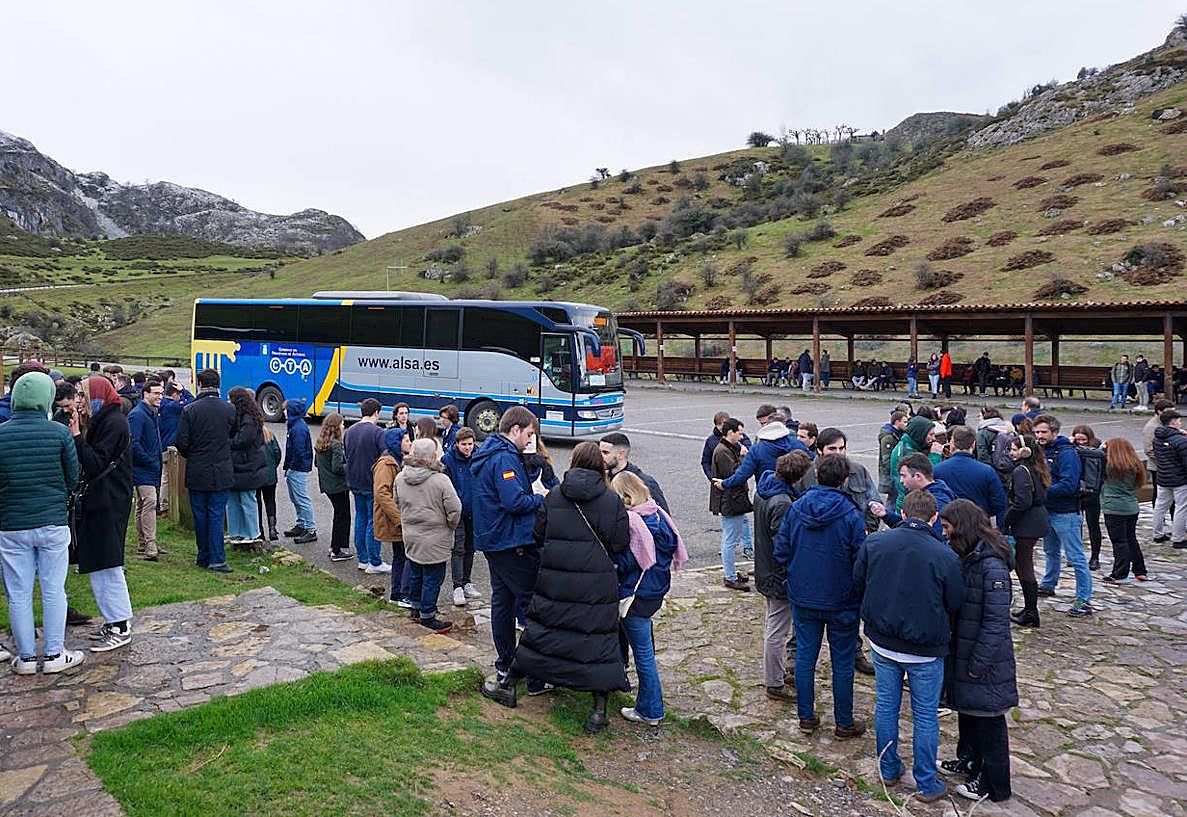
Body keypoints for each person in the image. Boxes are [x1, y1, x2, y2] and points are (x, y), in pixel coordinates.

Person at [482, 441, 630, 734]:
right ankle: (598, 711)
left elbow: (538, 534)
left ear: (573, 462)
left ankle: (509, 685)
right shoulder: (611, 500)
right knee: (598, 641)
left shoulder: (555, 496)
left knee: (540, 633)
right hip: (595, 584)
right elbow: (620, 543)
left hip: (555, 579)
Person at [854, 489, 964, 804]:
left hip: (884, 641)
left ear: (902, 514)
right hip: (925, 648)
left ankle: (888, 768)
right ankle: (926, 782)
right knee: (925, 714)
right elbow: (955, 600)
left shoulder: (875, 543)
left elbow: (858, 580)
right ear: (934, 518)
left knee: (886, 705)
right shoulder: (945, 555)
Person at [773, 454, 867, 739]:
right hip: (842, 599)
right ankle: (843, 721)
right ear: (845, 480)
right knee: (842, 661)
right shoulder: (850, 514)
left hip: (804, 595)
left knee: (804, 657)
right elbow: (861, 557)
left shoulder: (797, 508)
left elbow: (781, 550)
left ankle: (806, 716)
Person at [0, 371, 85, 674]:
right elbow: (73, 477)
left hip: (11, 524)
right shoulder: (58, 433)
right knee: (53, 589)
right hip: (51, 520)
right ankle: (53, 654)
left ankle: (24, 657)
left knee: (18, 593)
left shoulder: (2, 433)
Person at [938, 500, 1018, 803]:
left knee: (989, 721)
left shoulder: (991, 565)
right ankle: (969, 759)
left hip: (984, 659)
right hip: (966, 649)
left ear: (962, 527)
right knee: (969, 713)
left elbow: (996, 622)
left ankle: (994, 782)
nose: (945, 534)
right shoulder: (970, 556)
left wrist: (979, 663)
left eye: (947, 528)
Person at [472, 406, 546, 684]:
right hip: (510, 541)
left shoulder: (493, 453)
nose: (530, 440)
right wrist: (542, 498)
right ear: (515, 429)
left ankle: (505, 663)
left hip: (495, 539)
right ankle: (533, 675)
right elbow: (514, 501)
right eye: (528, 434)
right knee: (530, 605)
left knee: (502, 602)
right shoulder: (503, 458)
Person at [611, 470, 688, 725]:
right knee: (645, 650)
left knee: (643, 655)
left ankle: (651, 710)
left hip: (636, 594)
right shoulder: (657, 514)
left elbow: (632, 562)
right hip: (655, 591)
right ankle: (647, 705)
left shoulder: (635, 523)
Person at [72, 376, 135, 652]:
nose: (80, 402)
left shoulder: (113, 422)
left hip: (110, 501)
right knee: (99, 563)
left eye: (83, 396)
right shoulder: (105, 420)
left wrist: (76, 437)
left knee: (108, 564)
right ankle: (112, 620)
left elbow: (96, 463)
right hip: (104, 500)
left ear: (97, 396)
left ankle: (120, 624)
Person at [753, 451, 811, 702]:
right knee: (777, 629)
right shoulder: (782, 503)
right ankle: (774, 682)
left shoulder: (763, 488)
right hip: (777, 575)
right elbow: (783, 546)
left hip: (764, 568)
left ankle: (776, 674)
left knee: (773, 624)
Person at [396, 438, 463, 633]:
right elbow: (455, 508)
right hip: (436, 536)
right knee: (433, 578)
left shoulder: (401, 477)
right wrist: (450, 525)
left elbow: (396, 501)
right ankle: (428, 615)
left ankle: (416, 609)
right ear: (432, 455)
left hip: (411, 534)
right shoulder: (440, 480)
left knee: (416, 572)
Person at [175, 368, 235, 573]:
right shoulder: (229, 410)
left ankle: (203, 556)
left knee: (200, 515)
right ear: (218, 385)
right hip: (221, 469)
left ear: (199, 385)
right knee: (217, 514)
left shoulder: (190, 410)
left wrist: (193, 453)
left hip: (197, 469)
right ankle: (218, 559)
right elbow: (233, 435)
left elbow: (181, 442)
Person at [1033, 414, 1092, 616]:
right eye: (1037, 432)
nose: (1039, 435)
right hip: (1047, 510)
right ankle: (1049, 583)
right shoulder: (1040, 450)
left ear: (1055, 432)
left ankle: (1083, 599)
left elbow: (1069, 484)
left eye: (1043, 432)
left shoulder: (1066, 453)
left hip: (1066, 512)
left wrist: (1042, 491)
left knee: (1075, 557)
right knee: (1050, 551)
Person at [1004, 435, 1050, 627]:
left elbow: (1023, 502)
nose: (1010, 453)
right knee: (1025, 565)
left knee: (1024, 566)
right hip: (1035, 519)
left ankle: (1031, 611)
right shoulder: (1036, 467)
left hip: (1027, 522)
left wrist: (1007, 519)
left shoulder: (1021, 471)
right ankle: (1029, 609)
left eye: (1014, 450)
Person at [710, 418, 753, 591]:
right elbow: (734, 475)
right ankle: (729, 576)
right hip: (730, 500)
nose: (741, 436)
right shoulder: (722, 451)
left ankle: (732, 573)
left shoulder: (727, 448)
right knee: (730, 540)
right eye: (740, 433)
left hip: (734, 499)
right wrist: (743, 457)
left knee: (732, 537)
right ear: (730, 433)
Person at [345, 398, 386, 571]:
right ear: (376, 413)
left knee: (360, 519)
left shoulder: (349, 431)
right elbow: (384, 457)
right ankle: (374, 560)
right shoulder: (378, 432)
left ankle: (362, 558)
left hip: (354, 481)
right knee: (373, 521)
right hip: (372, 482)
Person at [935, 426, 1007, 520]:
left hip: (948, 522)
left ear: (952, 443)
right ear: (973, 444)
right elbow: (999, 503)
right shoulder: (987, 471)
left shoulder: (937, 470)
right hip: (978, 522)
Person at [1101, 438, 1148, 583]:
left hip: (1114, 508)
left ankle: (1119, 573)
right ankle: (1140, 570)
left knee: (1119, 542)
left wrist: (1102, 448)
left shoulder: (1110, 466)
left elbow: (1095, 458)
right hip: (1131, 507)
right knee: (1131, 539)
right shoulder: (1135, 466)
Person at [443, 427, 481, 606]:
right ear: (457, 444)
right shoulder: (448, 460)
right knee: (458, 548)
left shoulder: (479, 457)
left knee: (470, 547)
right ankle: (457, 585)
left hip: (475, 510)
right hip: (457, 510)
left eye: (470, 444)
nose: (468, 448)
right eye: (464, 445)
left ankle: (467, 581)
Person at [227, 387, 268, 548]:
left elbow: (242, 440)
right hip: (240, 465)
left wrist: (226, 443)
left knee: (247, 500)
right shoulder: (240, 417)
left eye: (230, 399)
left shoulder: (248, 419)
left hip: (247, 465)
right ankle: (236, 533)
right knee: (233, 500)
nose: (228, 403)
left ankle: (252, 533)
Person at [128, 376, 164, 561]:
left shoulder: (151, 412)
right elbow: (133, 443)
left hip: (149, 466)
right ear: (145, 393)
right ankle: (150, 543)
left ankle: (145, 542)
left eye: (161, 392)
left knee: (143, 504)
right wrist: (150, 460)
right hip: (143, 467)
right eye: (156, 393)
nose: (160, 396)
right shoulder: (138, 414)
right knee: (150, 501)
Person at [374, 427, 412, 601]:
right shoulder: (386, 464)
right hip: (394, 519)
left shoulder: (399, 460)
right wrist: (398, 518)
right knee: (402, 556)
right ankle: (401, 594)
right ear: (397, 442)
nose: (409, 443)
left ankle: (398, 593)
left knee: (401, 556)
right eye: (406, 440)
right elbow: (382, 493)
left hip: (398, 517)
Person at [599, 432, 670, 513]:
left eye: (605, 453)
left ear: (621, 454)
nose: (600, 456)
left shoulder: (644, 482)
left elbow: (662, 515)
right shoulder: (602, 477)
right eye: (599, 452)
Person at [314, 413, 352, 561]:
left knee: (338, 515)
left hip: (327, 485)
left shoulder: (320, 443)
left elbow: (316, 464)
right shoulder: (335, 444)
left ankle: (334, 546)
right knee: (343, 516)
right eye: (342, 424)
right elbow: (337, 467)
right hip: (338, 486)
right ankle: (337, 550)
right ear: (336, 426)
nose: (344, 426)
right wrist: (350, 465)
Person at [1071, 424, 1105, 569]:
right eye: (1078, 440)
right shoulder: (1071, 449)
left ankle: (1095, 557)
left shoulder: (1098, 449)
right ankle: (1076, 555)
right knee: (1075, 525)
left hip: (1092, 492)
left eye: (1083, 440)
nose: (1081, 443)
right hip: (1076, 491)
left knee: (1093, 525)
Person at [888, 416, 940, 512]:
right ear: (920, 434)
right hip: (906, 505)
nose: (934, 439)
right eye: (931, 435)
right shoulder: (908, 453)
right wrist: (935, 456)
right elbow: (926, 475)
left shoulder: (906, 444)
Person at [1152, 410, 1187, 548]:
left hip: (1162, 478)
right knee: (1181, 507)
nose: (1180, 423)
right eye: (1179, 420)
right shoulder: (1180, 441)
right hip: (1180, 480)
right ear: (1173, 422)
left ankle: (1157, 534)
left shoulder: (1157, 438)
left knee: (1160, 506)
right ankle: (1178, 538)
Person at [1144, 399, 1176, 518]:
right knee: (1159, 496)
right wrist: (1165, 461)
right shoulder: (1152, 427)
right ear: (1159, 412)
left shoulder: (1168, 423)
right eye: (1169, 412)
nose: (1172, 416)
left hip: (1169, 466)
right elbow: (1149, 449)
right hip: (1158, 467)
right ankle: (1159, 522)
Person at [158, 382, 183, 514]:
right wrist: (183, 391)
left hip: (162, 443)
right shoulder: (172, 406)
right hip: (171, 445)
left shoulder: (161, 405)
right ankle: (166, 505)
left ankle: (163, 504)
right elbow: (192, 402)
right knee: (168, 477)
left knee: (164, 476)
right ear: (175, 394)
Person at [878, 411, 908, 504]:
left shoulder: (898, 434)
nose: (906, 424)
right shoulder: (888, 438)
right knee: (892, 499)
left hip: (895, 473)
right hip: (890, 474)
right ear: (897, 422)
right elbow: (886, 459)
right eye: (904, 422)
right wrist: (895, 471)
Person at [257, 425, 281, 541]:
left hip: (256, 476)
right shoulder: (270, 435)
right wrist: (272, 467)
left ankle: (260, 531)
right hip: (270, 475)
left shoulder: (251, 436)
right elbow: (277, 454)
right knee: (270, 502)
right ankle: (272, 529)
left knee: (257, 504)